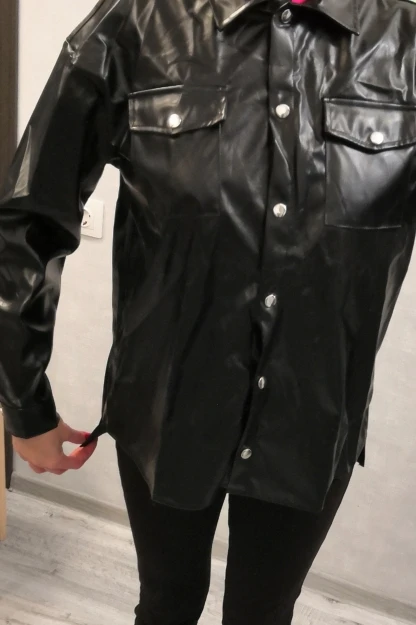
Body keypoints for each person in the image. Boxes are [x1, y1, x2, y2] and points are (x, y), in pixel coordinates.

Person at [0, 0, 415, 623]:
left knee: (264, 612)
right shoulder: (139, 20)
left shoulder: (404, 42)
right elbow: (30, 217)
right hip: (165, 408)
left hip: (311, 417)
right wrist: (24, 403)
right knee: (167, 602)